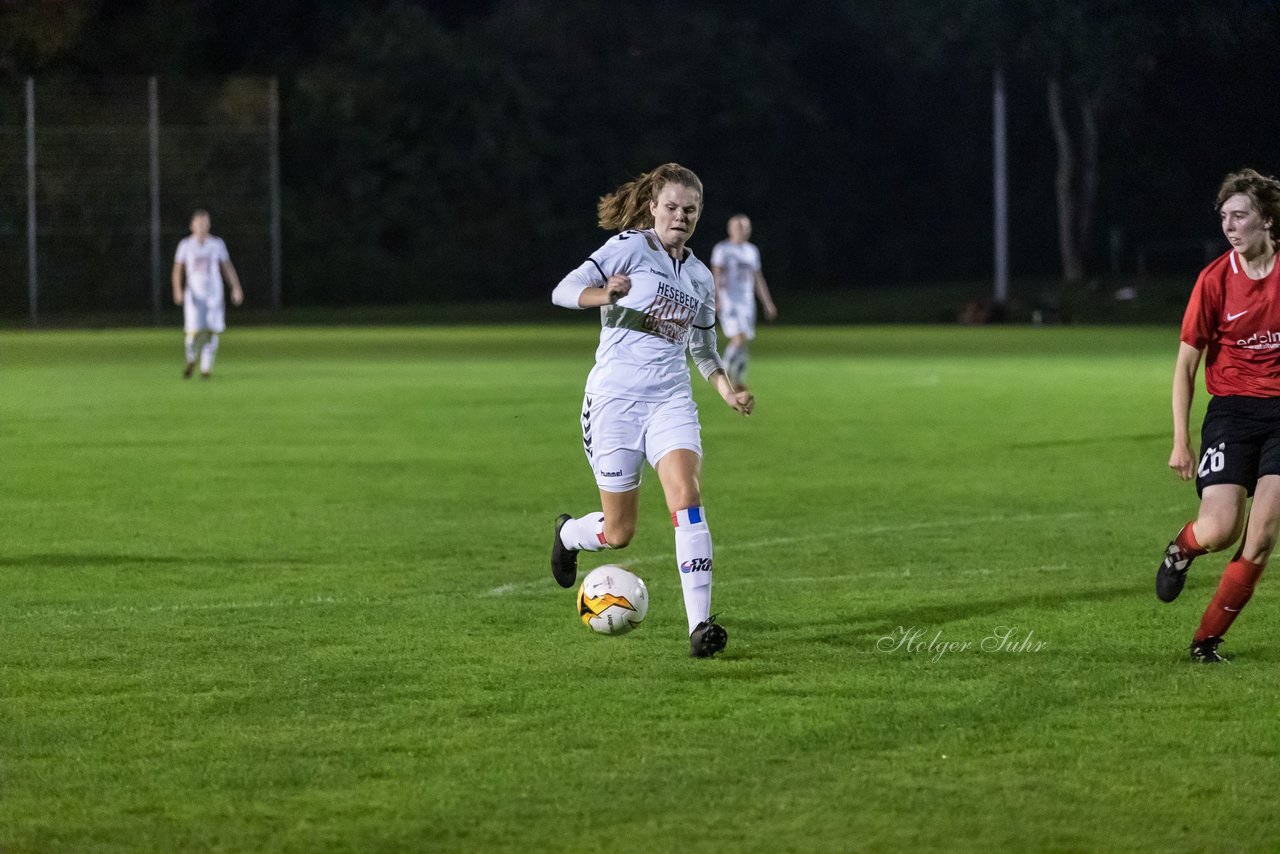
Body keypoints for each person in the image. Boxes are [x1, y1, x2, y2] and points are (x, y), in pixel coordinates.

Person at [549, 163, 754, 658]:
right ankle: (570, 533)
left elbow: (702, 347)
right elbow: (561, 291)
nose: (680, 216)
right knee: (619, 533)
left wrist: (726, 391)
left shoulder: (702, 276)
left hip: (670, 400)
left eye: (690, 209)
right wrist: (604, 294)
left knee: (687, 498)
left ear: (699, 214)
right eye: (671, 207)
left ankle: (700, 627)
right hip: (615, 401)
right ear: (653, 207)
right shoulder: (628, 248)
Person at [1156, 168, 1280, 663]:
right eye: (1224, 217)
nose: (1230, 227)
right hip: (1231, 412)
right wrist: (1180, 439)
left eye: (1240, 215)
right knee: (1221, 528)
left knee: (1264, 531)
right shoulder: (1213, 281)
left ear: (1267, 219)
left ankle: (1205, 640)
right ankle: (1183, 548)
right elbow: (1186, 367)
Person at [172, 210, 243, 379]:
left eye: (205, 223)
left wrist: (236, 287)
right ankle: (191, 359)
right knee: (193, 330)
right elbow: (177, 269)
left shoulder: (217, 244)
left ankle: (205, 368)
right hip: (194, 295)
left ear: (209, 226)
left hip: (214, 294)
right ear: (192, 226)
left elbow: (227, 266)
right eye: (198, 224)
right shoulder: (185, 245)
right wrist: (177, 289)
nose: (202, 227)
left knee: (211, 330)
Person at [710, 214, 777, 389]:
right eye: (739, 227)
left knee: (743, 341)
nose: (743, 230)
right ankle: (721, 375)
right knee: (738, 339)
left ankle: (737, 379)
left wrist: (767, 303)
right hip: (729, 301)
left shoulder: (751, 250)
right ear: (730, 229)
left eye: (746, 227)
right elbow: (716, 275)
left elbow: (757, 278)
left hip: (747, 303)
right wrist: (717, 298)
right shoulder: (722, 249)